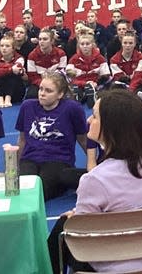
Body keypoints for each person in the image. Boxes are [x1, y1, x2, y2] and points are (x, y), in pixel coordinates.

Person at [50, 89, 142, 274]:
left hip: (112, 263)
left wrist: (75, 218)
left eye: (95, 116)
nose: (89, 120)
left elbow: (83, 236)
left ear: (112, 127)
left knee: (64, 226)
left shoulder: (95, 180)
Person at [16, 71, 88, 200]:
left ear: (60, 94)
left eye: (48, 91)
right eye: (41, 89)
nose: (42, 93)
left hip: (58, 159)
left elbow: (83, 139)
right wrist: (15, 167)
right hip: (30, 158)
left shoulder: (72, 109)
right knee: (24, 189)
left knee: (40, 191)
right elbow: (22, 139)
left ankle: (63, 181)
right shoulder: (28, 106)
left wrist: (96, 166)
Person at [66, 32, 110, 107]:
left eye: (87, 44)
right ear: (79, 46)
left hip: (95, 85)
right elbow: (69, 78)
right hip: (79, 85)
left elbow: (106, 76)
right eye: (82, 44)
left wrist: (96, 83)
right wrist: (83, 83)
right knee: (74, 92)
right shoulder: (73, 59)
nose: (85, 46)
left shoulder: (100, 58)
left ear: (92, 45)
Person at [25, 28, 68, 99]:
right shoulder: (32, 55)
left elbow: (61, 74)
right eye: (40, 39)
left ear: (52, 41)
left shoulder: (61, 54)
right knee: (31, 96)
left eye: (45, 39)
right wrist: (44, 84)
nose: (41, 42)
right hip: (39, 83)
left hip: (56, 83)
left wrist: (51, 84)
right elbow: (32, 77)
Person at [0, 35, 25, 107]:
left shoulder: (19, 58)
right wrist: (10, 69)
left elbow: (19, 70)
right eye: (2, 46)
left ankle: (8, 98)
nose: (4, 48)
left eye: (7, 46)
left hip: (15, 94)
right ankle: (0, 98)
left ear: (13, 48)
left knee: (13, 75)